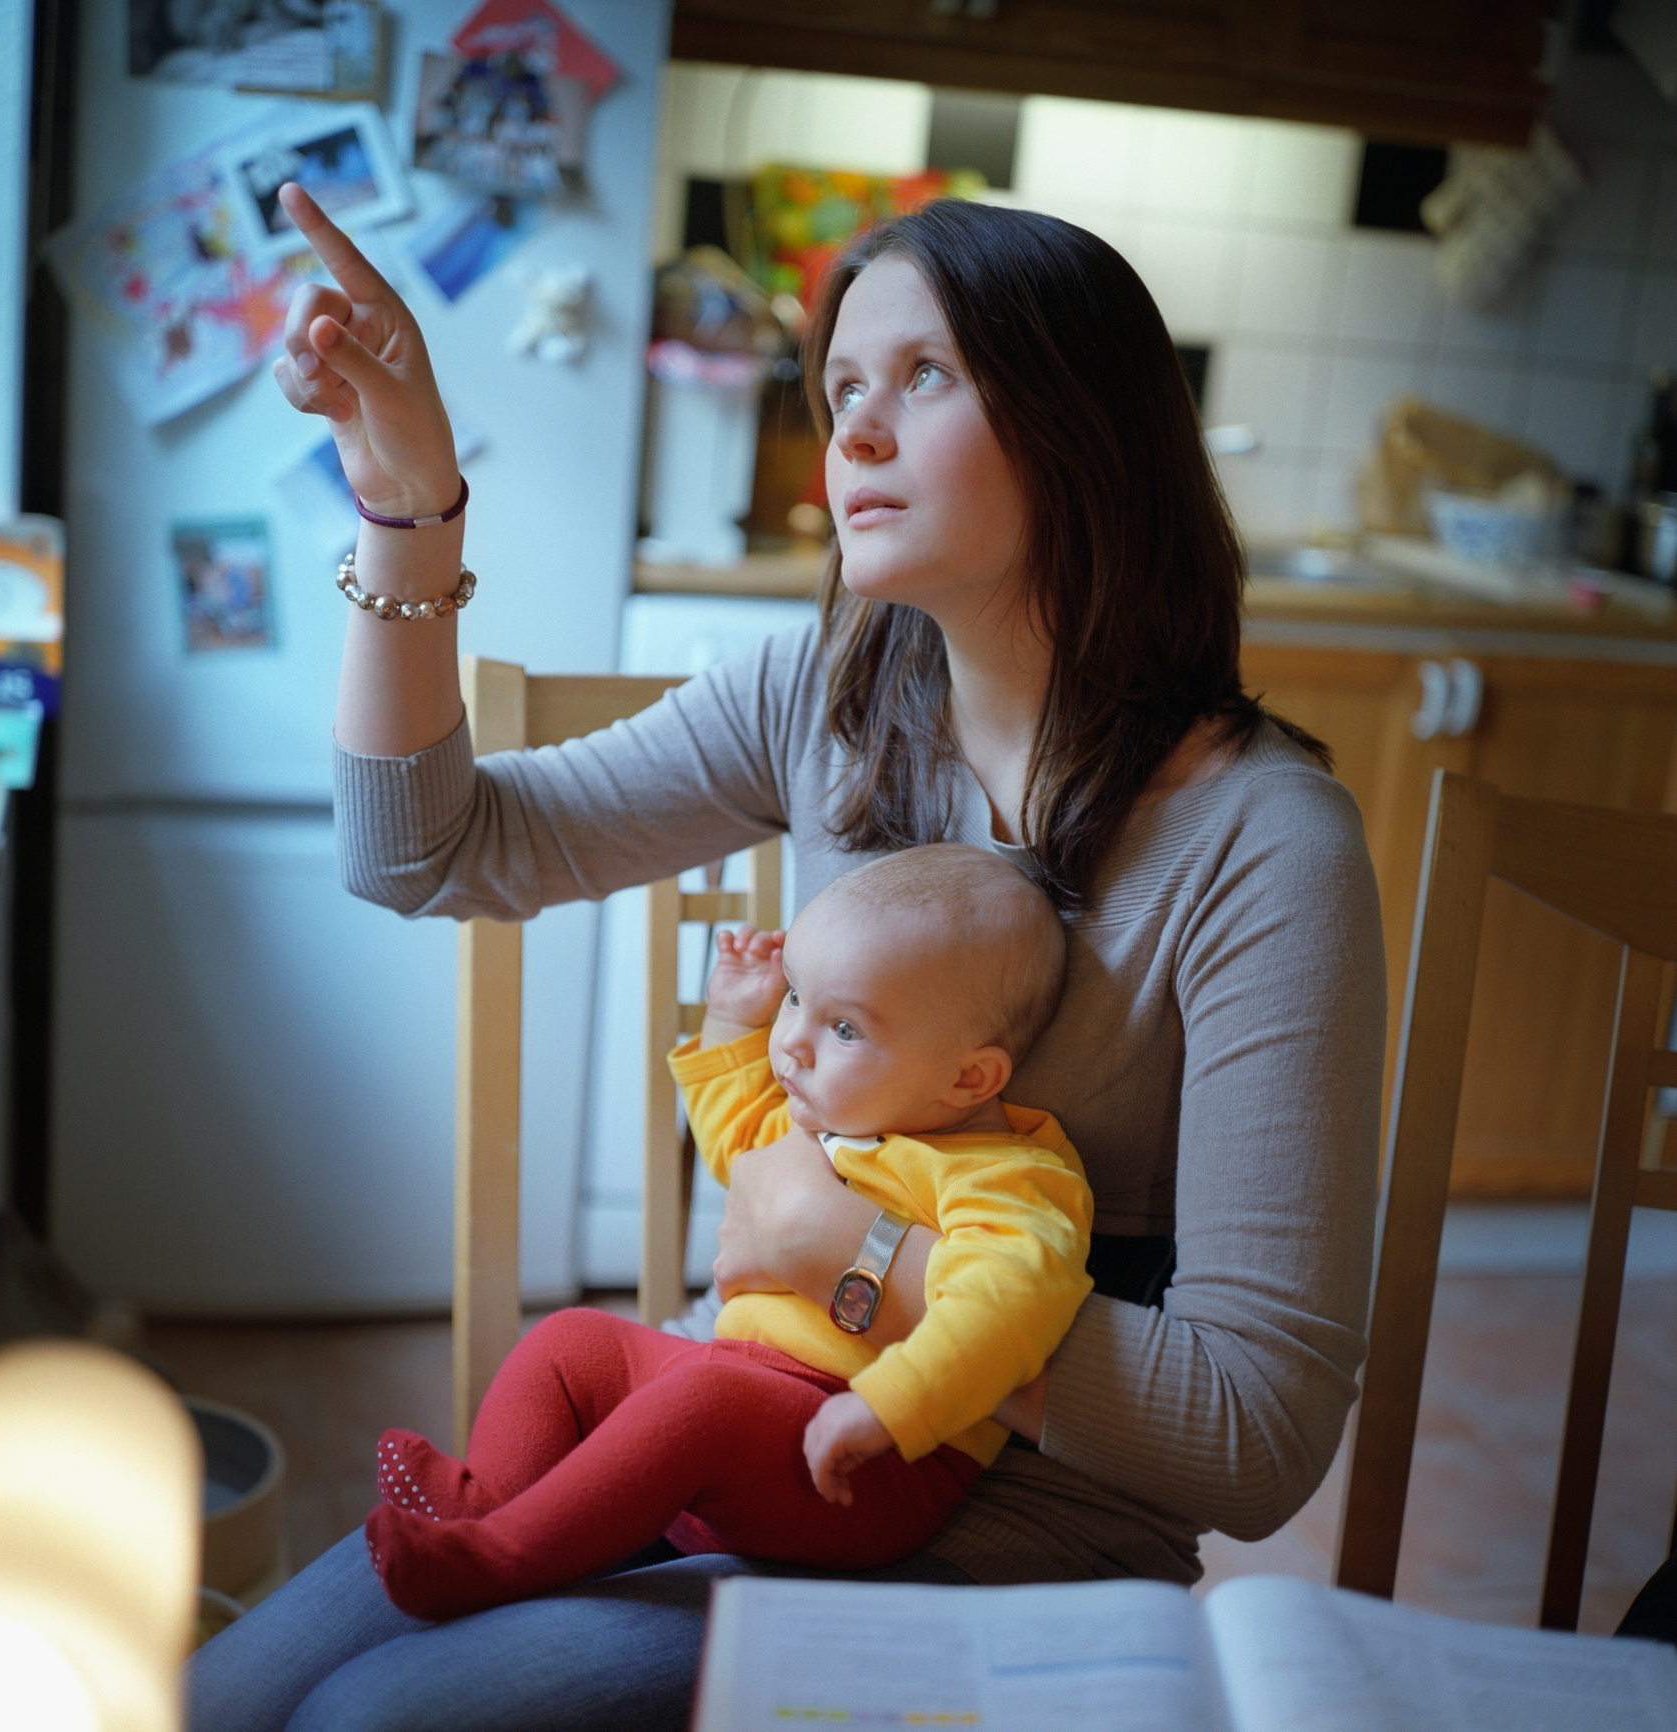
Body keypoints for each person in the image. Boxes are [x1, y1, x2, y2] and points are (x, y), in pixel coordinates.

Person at [188, 179, 1386, 1732]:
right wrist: (411, 505)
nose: (857, 435)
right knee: (221, 1701)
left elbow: (1257, 1433)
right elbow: (422, 849)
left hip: (1011, 1549)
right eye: (840, 391)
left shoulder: (1268, 851)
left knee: (378, 1720)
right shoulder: (828, 696)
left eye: (925, 377)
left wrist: (856, 1259)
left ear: (1085, 425)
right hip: (720, 1423)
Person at [365, 844, 1094, 1620]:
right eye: (794, 1000)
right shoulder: (845, 1110)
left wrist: (888, 1405)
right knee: (573, 1342)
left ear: (969, 1078)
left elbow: (1002, 1313)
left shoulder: (1011, 1179)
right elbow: (739, 1144)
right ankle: (484, 1499)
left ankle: (496, 1560)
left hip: (869, 1464)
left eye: (843, 1027)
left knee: (706, 1400)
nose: (792, 1044)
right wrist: (728, 1019)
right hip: (741, 1392)